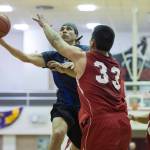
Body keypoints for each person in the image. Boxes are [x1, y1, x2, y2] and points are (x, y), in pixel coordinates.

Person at [34, 14, 132, 150]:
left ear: (91, 43)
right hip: (123, 123)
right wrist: (64, 70)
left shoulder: (85, 57)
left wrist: (44, 25)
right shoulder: (115, 65)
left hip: (100, 121)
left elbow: (57, 42)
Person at [0, 22, 89, 150]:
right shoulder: (52, 56)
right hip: (64, 104)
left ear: (76, 35)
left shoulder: (85, 51)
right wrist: (3, 43)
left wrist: (73, 66)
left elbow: (89, 67)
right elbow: (26, 57)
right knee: (58, 133)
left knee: (77, 147)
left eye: (68, 29)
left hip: (85, 107)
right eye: (62, 29)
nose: (64, 31)